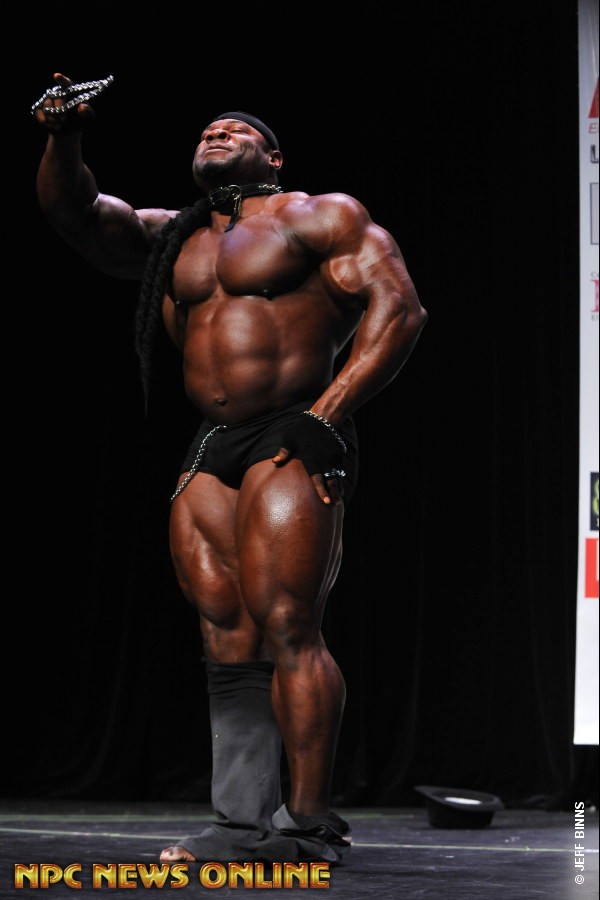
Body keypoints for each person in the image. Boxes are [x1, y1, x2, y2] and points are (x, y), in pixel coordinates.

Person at [33, 72, 428, 866]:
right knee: (226, 634)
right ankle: (242, 822)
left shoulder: (318, 215)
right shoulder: (173, 238)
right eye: (206, 130)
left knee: (288, 623)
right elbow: (76, 212)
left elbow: (400, 308)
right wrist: (64, 135)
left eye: (236, 130)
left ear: (273, 157)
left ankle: (307, 823)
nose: (216, 133)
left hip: (295, 427)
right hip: (214, 443)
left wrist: (327, 415)